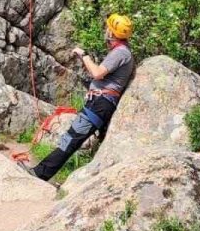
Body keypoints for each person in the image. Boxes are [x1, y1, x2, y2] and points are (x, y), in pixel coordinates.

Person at [29, 14, 135, 181]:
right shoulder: (122, 52)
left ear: (112, 33)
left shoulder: (120, 53)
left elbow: (98, 73)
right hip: (99, 103)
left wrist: (84, 55)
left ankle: (40, 174)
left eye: (108, 28)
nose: (105, 30)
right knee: (71, 138)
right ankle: (41, 172)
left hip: (100, 103)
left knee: (71, 139)